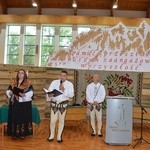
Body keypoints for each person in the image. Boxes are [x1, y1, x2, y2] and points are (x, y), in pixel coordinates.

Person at [47, 70, 74, 143]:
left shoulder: (69, 84)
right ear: (59, 75)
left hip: (63, 105)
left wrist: (64, 90)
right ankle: (51, 135)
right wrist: (49, 94)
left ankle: (59, 136)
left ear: (66, 77)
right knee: (52, 121)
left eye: (64, 76)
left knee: (61, 121)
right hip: (54, 104)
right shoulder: (54, 82)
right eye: (61, 75)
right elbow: (49, 91)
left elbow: (71, 95)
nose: (62, 77)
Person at [6, 69, 34, 139]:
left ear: (24, 75)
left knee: (22, 118)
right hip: (14, 103)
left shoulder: (28, 83)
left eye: (22, 73)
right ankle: (14, 133)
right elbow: (8, 90)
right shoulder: (13, 83)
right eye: (19, 73)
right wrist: (9, 92)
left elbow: (31, 93)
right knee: (14, 117)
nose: (20, 74)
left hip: (23, 104)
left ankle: (22, 133)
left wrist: (24, 95)